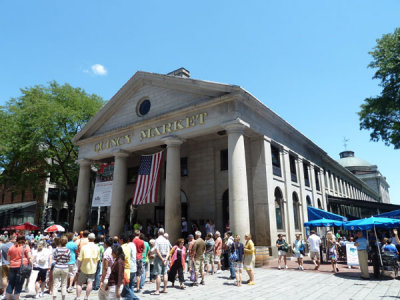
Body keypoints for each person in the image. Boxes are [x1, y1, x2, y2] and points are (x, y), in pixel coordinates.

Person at [6, 235, 32, 300]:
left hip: (12, 266)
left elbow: (8, 258)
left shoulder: (12, 247)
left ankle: (8, 298)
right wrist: (31, 265)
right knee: (19, 284)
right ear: (24, 240)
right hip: (22, 267)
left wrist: (13, 262)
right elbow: (29, 257)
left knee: (10, 283)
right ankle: (16, 298)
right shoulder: (26, 246)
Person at [76, 233, 100, 300]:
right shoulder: (97, 247)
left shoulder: (84, 247)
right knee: (90, 283)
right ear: (94, 239)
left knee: (79, 283)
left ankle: (78, 297)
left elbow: (80, 259)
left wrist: (78, 268)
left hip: (84, 267)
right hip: (92, 268)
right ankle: (86, 297)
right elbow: (98, 259)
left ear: (88, 239)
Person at [151, 228, 171, 295]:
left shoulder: (157, 240)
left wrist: (162, 259)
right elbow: (169, 251)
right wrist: (166, 258)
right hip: (165, 257)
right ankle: (165, 289)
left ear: (158, 233)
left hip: (159, 258)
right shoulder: (166, 240)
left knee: (158, 274)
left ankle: (157, 290)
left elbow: (157, 251)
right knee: (165, 273)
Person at [52, 236, 71, 300]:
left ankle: (54, 298)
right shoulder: (68, 250)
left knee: (55, 284)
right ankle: (63, 298)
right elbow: (69, 259)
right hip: (65, 267)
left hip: (57, 266)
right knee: (64, 284)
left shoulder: (57, 249)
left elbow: (54, 258)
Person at [1, 235, 16, 300]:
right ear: (14, 239)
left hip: (4, 263)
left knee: (4, 278)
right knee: (12, 279)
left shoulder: (3, 246)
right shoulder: (15, 246)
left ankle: (5, 292)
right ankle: (12, 293)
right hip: (13, 264)